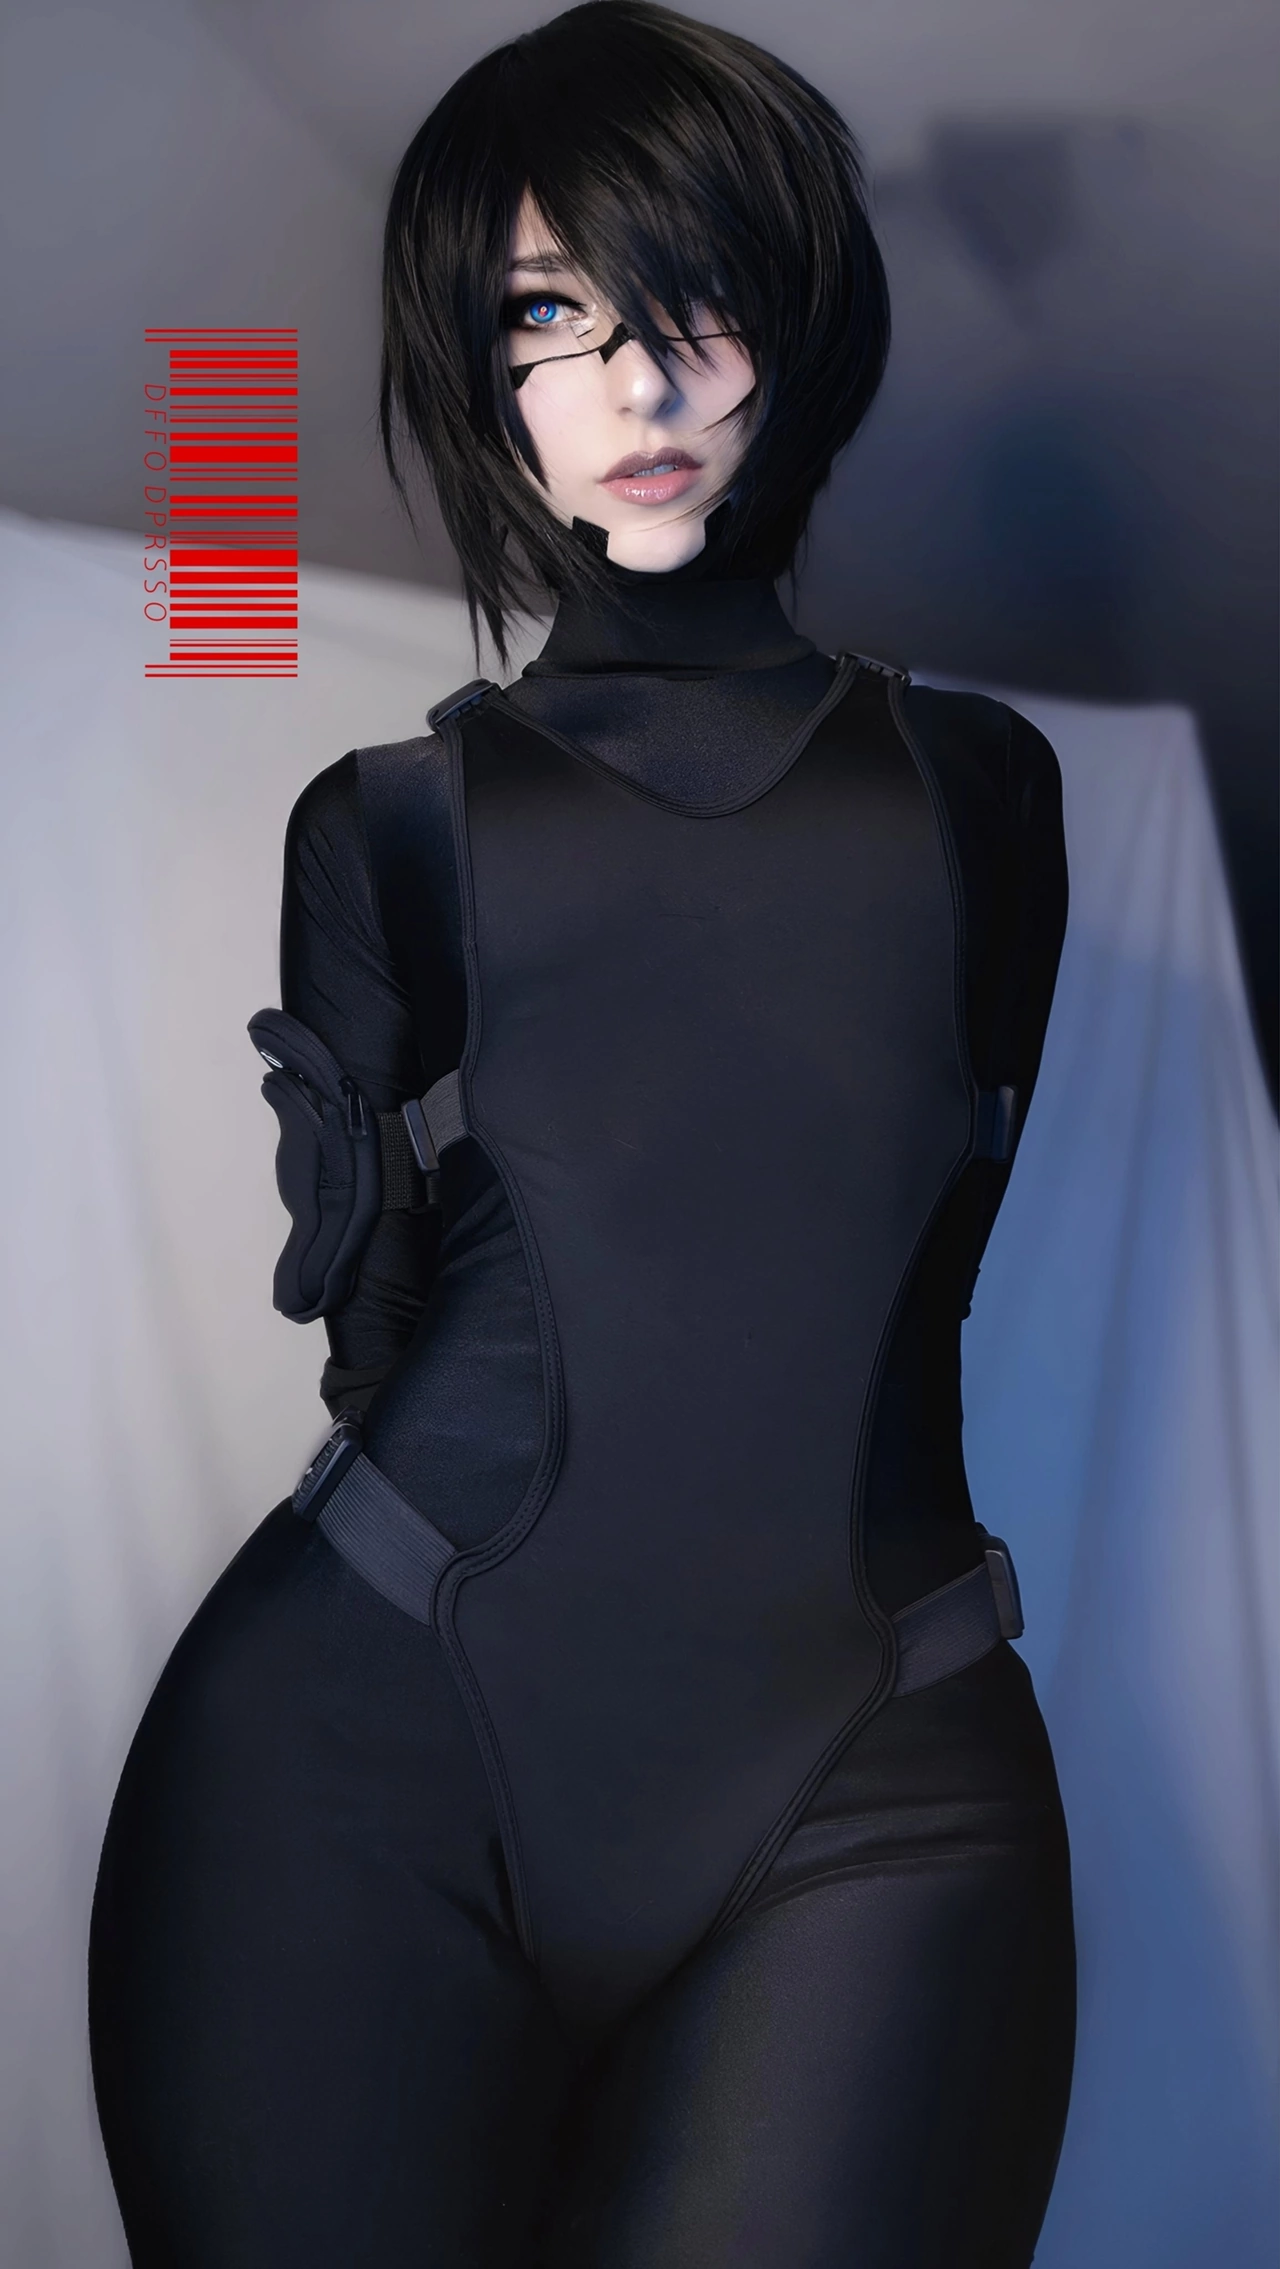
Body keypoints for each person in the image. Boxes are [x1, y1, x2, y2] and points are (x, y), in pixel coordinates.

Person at [88, 5, 1075, 2262]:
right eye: (552, 314)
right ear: (478, 364)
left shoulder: (984, 794)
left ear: (795, 319)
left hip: (874, 1768)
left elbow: (910, 1242)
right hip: (357, 1774)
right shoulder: (384, 826)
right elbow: (378, 1347)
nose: (637, 384)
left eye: (693, 295)